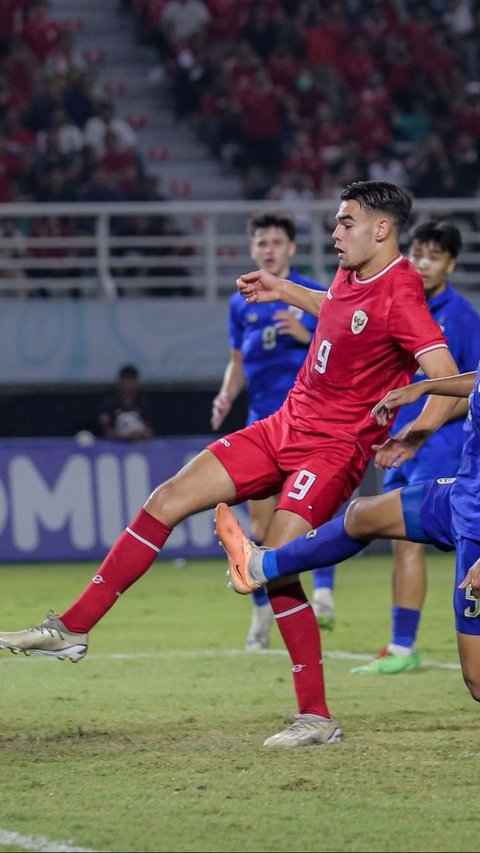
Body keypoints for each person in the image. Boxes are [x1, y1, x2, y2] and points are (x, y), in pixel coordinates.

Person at [0, 181, 461, 749]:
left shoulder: (404, 295)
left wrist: (414, 434)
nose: (334, 232)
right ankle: (72, 628)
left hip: (334, 449)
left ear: (380, 229)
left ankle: (316, 718)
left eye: (345, 222)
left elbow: (448, 380)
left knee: (275, 563)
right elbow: (339, 310)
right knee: (166, 499)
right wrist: (284, 289)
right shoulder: (350, 273)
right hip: (283, 425)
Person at [214, 363, 480, 705]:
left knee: (475, 680)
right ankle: (258, 567)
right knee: (361, 516)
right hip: (460, 498)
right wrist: (427, 387)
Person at [352, 219, 480, 674]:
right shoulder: (399, 304)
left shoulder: (462, 316)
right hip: (401, 440)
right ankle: (401, 644)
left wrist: (419, 432)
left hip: (442, 445)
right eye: (418, 253)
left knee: (408, 541)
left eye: (435, 256)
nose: (423, 263)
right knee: (392, 536)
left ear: (451, 264)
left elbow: (465, 390)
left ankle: (403, 647)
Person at [211, 210, 336, 652]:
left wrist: (306, 335)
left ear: (291, 249)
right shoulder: (241, 301)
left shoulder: (312, 294)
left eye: (276, 242)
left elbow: (343, 347)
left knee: (308, 513)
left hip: (310, 425)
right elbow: (238, 361)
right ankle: (262, 615)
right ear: (252, 250)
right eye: (261, 242)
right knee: (261, 526)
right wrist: (226, 395)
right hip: (263, 426)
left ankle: (323, 594)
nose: (268, 249)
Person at [98, 364, 154, 441]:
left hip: (139, 444)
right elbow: (106, 431)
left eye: (132, 380)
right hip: (114, 445)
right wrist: (124, 436)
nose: (128, 385)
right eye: (126, 380)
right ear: (119, 382)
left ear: (137, 382)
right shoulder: (109, 403)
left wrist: (139, 435)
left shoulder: (143, 402)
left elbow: (148, 429)